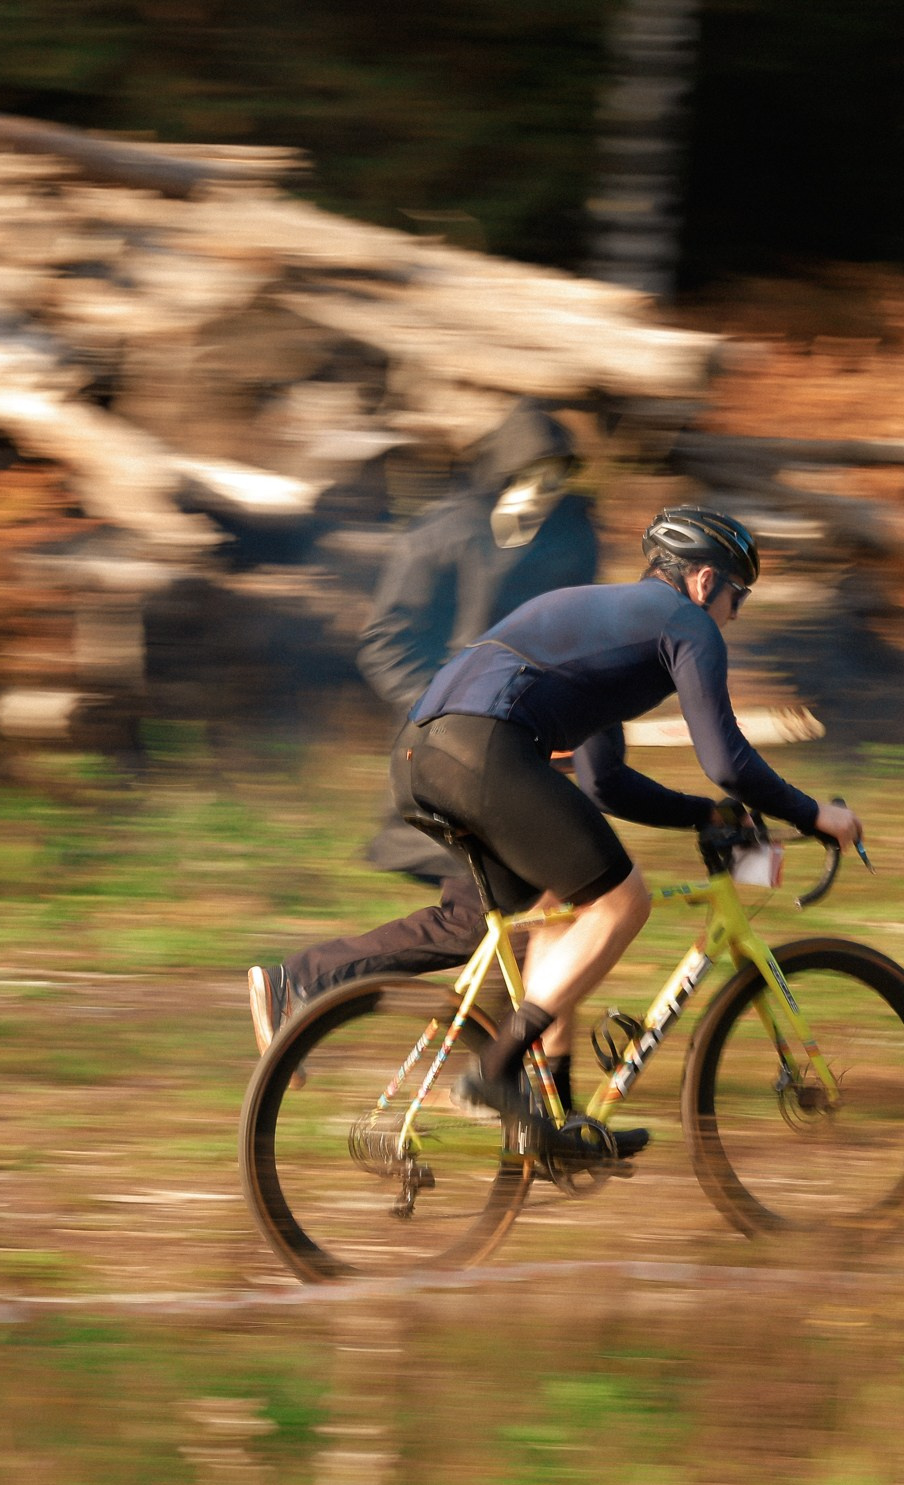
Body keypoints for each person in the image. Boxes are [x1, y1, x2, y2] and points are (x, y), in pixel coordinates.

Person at [381, 505, 862, 1160]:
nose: (736, 611)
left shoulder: (611, 632)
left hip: (420, 756)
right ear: (702, 581)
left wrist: (706, 814)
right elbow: (727, 760)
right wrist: (814, 815)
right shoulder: (686, 626)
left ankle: (554, 1118)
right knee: (624, 899)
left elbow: (606, 784)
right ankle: (493, 1073)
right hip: (485, 748)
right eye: (737, 593)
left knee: (562, 907)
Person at [247, 401, 597, 1049]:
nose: (547, 493)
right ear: (503, 473)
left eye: (558, 479)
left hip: (524, 757)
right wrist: (454, 706)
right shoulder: (441, 538)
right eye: (534, 477)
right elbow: (385, 642)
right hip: (448, 758)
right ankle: (303, 979)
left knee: (542, 914)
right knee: (481, 920)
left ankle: (511, 1090)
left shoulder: (568, 542)